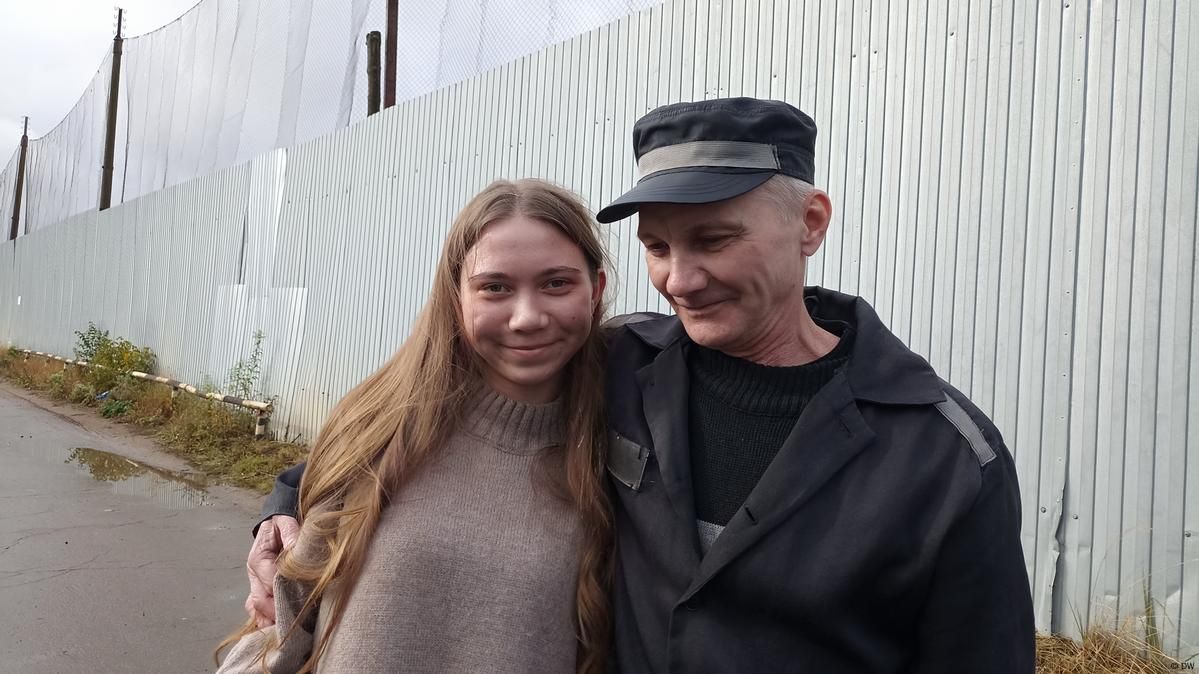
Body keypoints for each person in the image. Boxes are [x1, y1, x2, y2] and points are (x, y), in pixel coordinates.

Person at [250, 98, 1035, 672]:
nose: (679, 280)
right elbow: (422, 426)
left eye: (712, 240)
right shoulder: (621, 363)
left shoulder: (944, 457)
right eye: (656, 247)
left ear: (810, 223)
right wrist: (282, 509)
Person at [216, 179, 613, 673]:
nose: (527, 317)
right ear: (455, 296)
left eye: (557, 283)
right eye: (495, 287)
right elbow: (285, 625)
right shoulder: (379, 430)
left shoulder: (622, 446)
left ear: (595, 291)